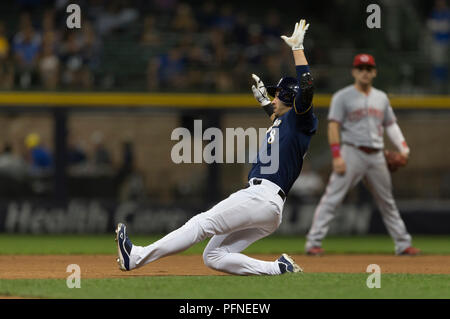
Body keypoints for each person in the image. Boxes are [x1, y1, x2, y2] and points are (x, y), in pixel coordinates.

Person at [116, 19, 317, 275]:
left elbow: (307, 89)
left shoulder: (302, 118)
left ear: (290, 97)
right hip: (269, 207)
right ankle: (279, 269)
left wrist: (297, 49)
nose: (274, 96)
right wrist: (265, 103)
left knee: (201, 224)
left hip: (261, 196)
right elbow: (279, 119)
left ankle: (136, 257)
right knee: (213, 256)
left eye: (278, 94)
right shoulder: (287, 122)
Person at [304, 53, 420, 256]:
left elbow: (390, 125)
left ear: (374, 72)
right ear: (354, 72)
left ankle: (403, 244)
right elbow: (333, 127)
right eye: (361, 68)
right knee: (332, 198)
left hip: (377, 155)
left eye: (368, 69)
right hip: (351, 152)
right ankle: (313, 243)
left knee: (387, 202)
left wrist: (404, 148)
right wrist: (337, 155)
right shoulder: (342, 96)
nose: (364, 72)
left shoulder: (381, 98)